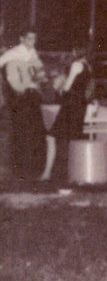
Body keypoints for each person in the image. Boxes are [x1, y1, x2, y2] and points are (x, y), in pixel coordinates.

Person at [40, 45, 93, 183]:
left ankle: (47, 173)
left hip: (70, 104)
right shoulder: (87, 65)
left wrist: (59, 86)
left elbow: (67, 87)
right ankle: (77, 174)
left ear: (77, 50)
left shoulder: (76, 64)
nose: (72, 51)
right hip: (80, 105)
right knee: (74, 138)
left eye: (73, 49)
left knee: (51, 136)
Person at [0, 29, 47, 179]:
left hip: (33, 97)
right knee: (21, 131)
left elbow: (40, 73)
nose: (32, 43)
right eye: (29, 39)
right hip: (20, 98)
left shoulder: (32, 52)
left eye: (34, 39)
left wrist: (41, 83)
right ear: (21, 39)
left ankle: (32, 167)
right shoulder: (13, 54)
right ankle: (20, 169)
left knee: (34, 132)